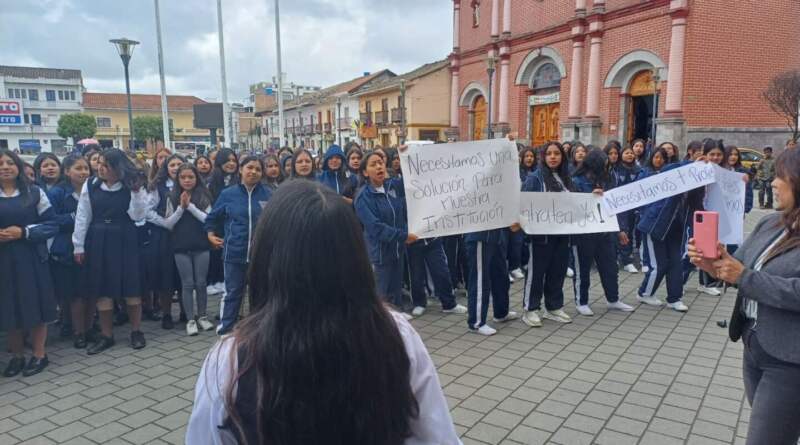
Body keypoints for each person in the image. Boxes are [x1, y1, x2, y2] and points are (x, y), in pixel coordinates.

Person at [186, 180, 460, 445]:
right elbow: (437, 436)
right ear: (355, 254)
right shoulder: (396, 332)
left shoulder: (231, 359)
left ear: (267, 255)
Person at [687, 148, 800, 445]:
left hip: (790, 360)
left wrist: (743, 276)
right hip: (754, 345)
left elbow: (749, 277)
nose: (772, 183)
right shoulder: (771, 223)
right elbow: (740, 266)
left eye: (781, 176)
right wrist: (713, 263)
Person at [72, 148, 150, 354]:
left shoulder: (131, 185)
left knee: (131, 288)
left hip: (125, 237)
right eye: (99, 163)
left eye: (106, 165)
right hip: (98, 238)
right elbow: (83, 216)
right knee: (103, 289)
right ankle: (107, 335)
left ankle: (136, 331)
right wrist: (78, 245)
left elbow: (138, 216)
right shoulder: (91, 185)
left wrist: (136, 192)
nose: (100, 168)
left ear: (118, 167)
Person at [0, 149, 59, 377]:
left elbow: (51, 224)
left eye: (9, 163)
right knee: (9, 306)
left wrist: (23, 232)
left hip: (31, 258)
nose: (5, 167)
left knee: (35, 305)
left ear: (18, 167)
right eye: (0, 164)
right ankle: (17, 356)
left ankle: (39, 354)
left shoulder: (34, 193)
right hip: (3, 260)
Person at [206, 155, 271, 335]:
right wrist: (210, 235)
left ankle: (258, 332)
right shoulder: (228, 194)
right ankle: (226, 331)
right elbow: (212, 218)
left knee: (260, 295)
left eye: (258, 169)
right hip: (234, 254)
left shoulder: (269, 194)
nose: (253, 172)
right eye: (250, 167)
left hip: (260, 255)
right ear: (241, 169)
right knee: (233, 293)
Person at [149, 163, 215, 336]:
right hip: (180, 245)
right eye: (183, 177)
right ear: (177, 179)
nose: (187, 180)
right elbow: (168, 223)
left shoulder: (204, 195)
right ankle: (190, 319)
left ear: (196, 178)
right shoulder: (172, 196)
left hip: (201, 244)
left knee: (201, 283)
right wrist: (181, 208)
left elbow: (208, 219)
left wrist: (190, 206)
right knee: (187, 283)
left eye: (190, 177)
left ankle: (202, 316)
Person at [570, 148, 635, 316]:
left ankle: (613, 299)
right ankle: (581, 301)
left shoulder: (608, 179)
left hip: (605, 233)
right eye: (604, 163)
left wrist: (621, 230)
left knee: (610, 268)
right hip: (583, 234)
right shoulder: (576, 181)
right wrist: (590, 196)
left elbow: (615, 206)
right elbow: (572, 206)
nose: (608, 166)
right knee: (583, 269)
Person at [354, 151, 416, 318]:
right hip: (379, 253)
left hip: (397, 249)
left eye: (380, 162)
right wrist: (403, 236)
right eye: (373, 164)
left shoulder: (393, 186)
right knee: (381, 292)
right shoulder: (363, 197)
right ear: (365, 172)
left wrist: (406, 154)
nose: (379, 166)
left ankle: (397, 314)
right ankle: (380, 322)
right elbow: (375, 227)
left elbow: (412, 177)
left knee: (396, 287)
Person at [520, 142, 574, 327]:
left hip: (562, 234)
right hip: (540, 236)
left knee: (557, 272)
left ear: (562, 157)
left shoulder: (566, 178)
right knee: (536, 273)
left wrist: (593, 196)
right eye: (549, 154)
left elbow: (576, 202)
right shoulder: (535, 178)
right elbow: (524, 204)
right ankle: (530, 309)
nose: (553, 157)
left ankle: (553, 307)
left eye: (557, 153)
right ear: (543, 157)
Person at [636, 146, 695, 312]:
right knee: (659, 265)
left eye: (663, 156)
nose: (660, 159)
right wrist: (693, 164)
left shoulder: (689, 176)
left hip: (675, 227)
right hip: (655, 225)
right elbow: (669, 170)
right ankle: (644, 293)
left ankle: (674, 298)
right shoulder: (657, 173)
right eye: (657, 156)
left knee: (676, 263)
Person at [47, 155, 94, 348]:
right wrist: (76, 216)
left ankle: (90, 328)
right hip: (67, 248)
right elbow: (50, 220)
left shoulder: (93, 189)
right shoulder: (57, 193)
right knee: (75, 294)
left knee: (91, 291)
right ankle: (78, 332)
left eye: (86, 168)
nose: (84, 172)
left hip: (92, 244)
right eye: (78, 168)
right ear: (67, 171)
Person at [697, 139, 728, 296]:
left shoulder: (726, 172)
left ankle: (708, 282)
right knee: (704, 250)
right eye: (712, 154)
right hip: (703, 215)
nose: (716, 157)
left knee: (717, 248)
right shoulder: (699, 169)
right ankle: (703, 282)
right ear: (705, 155)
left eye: (719, 154)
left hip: (720, 216)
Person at [614, 145, 641, 273]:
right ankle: (615, 257)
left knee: (628, 232)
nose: (630, 155)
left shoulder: (638, 170)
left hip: (632, 207)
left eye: (631, 153)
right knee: (618, 231)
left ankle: (627, 260)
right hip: (617, 206)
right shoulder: (615, 169)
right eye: (626, 153)